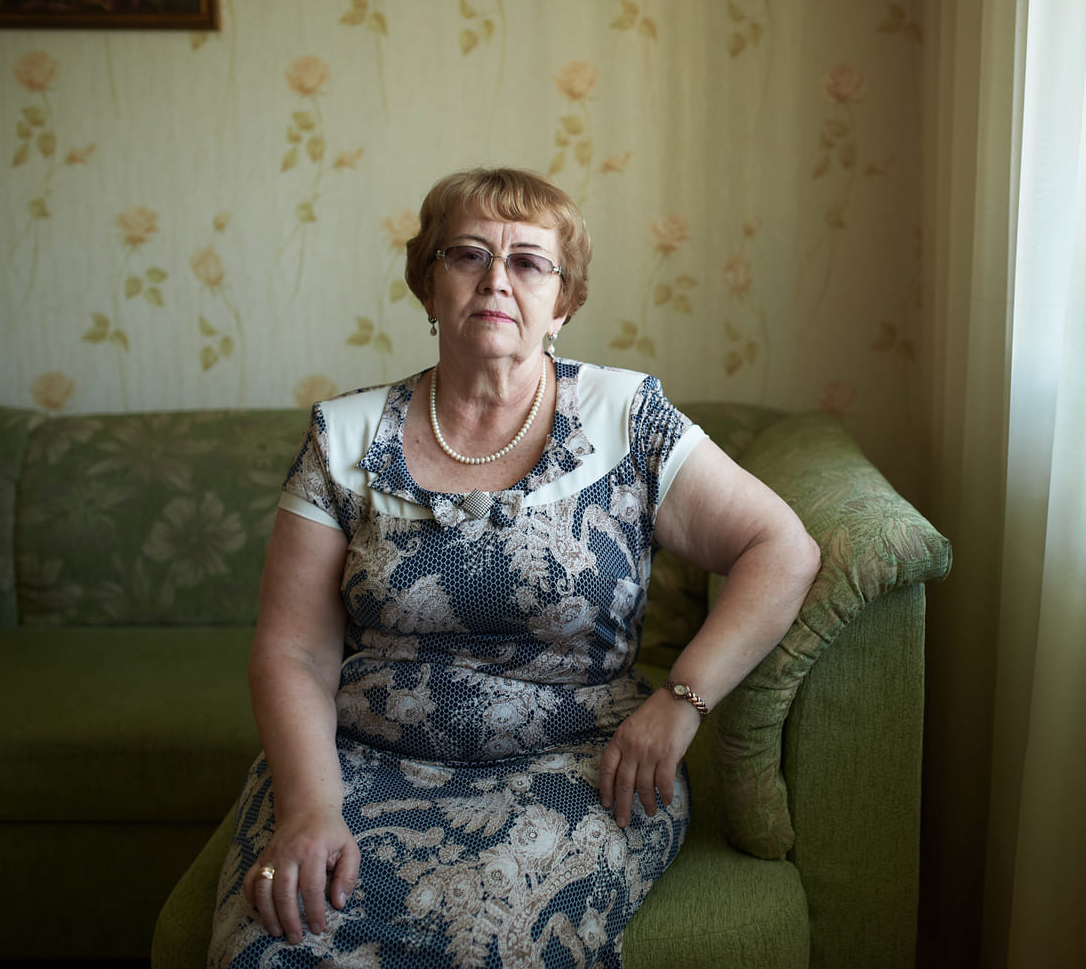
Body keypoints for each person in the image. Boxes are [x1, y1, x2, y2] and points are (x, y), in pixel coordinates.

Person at [208, 166, 819, 967]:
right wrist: (309, 809)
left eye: (529, 262)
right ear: (428, 285)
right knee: (275, 938)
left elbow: (783, 549)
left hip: (574, 764)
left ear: (563, 303)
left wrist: (682, 699)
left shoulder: (626, 418)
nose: (497, 279)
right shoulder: (344, 436)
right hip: (358, 760)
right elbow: (292, 649)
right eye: (468, 255)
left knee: (494, 938)